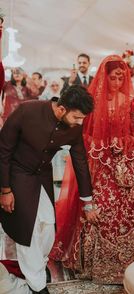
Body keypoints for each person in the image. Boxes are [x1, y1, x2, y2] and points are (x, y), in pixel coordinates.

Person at [50, 55, 134, 284]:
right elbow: (83, 131)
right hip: (101, 162)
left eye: (122, 77)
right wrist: (100, 147)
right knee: (103, 208)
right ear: (104, 77)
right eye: (114, 77)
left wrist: (128, 146)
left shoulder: (127, 99)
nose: (118, 82)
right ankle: (101, 262)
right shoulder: (93, 100)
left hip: (125, 160)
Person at [0, 85, 96, 293]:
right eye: (77, 117)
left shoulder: (74, 127)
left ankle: (37, 267)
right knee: (29, 230)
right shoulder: (27, 111)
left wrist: (87, 201)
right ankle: (36, 284)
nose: (80, 123)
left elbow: (80, 162)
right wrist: (5, 190)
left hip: (42, 176)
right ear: (61, 109)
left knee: (48, 228)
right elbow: (3, 150)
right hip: (17, 173)